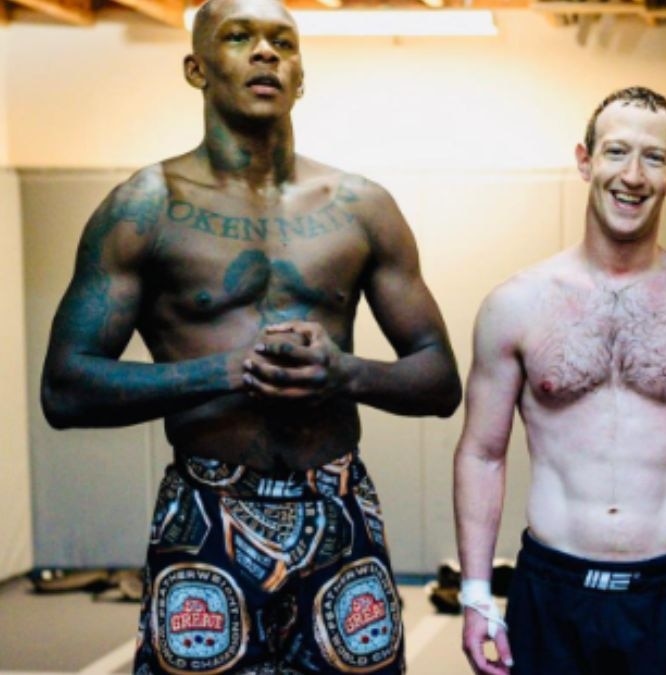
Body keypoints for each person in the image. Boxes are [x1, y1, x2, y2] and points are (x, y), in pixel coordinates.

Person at [39, 0, 461, 671]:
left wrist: (344, 372)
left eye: (282, 42)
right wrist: (225, 370)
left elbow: (440, 380)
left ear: (301, 76)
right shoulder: (144, 207)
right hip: (207, 507)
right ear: (196, 68)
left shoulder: (362, 207)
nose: (265, 52)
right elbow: (65, 388)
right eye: (239, 37)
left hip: (337, 504)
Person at [452, 86, 666, 675]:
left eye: (653, 158)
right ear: (585, 160)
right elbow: (482, 453)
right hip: (553, 590)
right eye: (616, 152)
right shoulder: (516, 304)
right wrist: (476, 593)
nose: (632, 175)